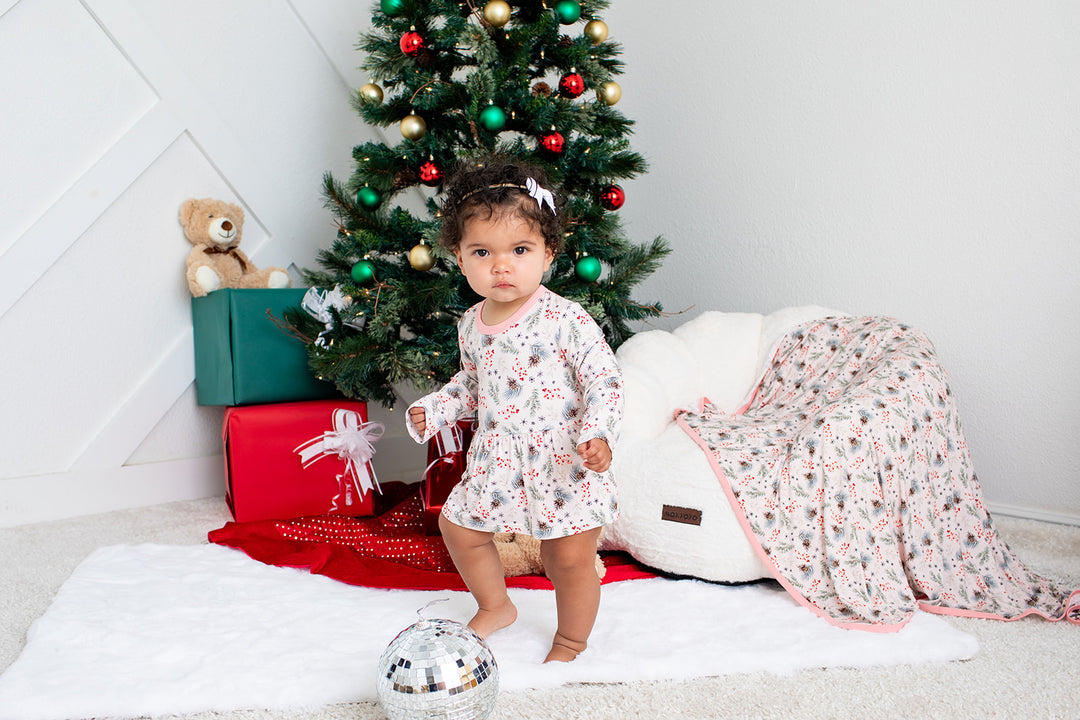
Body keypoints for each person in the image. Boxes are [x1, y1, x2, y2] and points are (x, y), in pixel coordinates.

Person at [406, 157, 623, 663]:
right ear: (460, 259)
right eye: (483, 252)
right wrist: (437, 409)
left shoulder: (567, 320)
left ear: (548, 253)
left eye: (519, 250)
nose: (501, 265)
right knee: (459, 526)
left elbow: (604, 380)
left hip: (564, 460)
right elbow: (472, 383)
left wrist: (597, 433)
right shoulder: (471, 322)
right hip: (498, 458)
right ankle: (496, 604)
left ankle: (571, 639)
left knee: (565, 557)